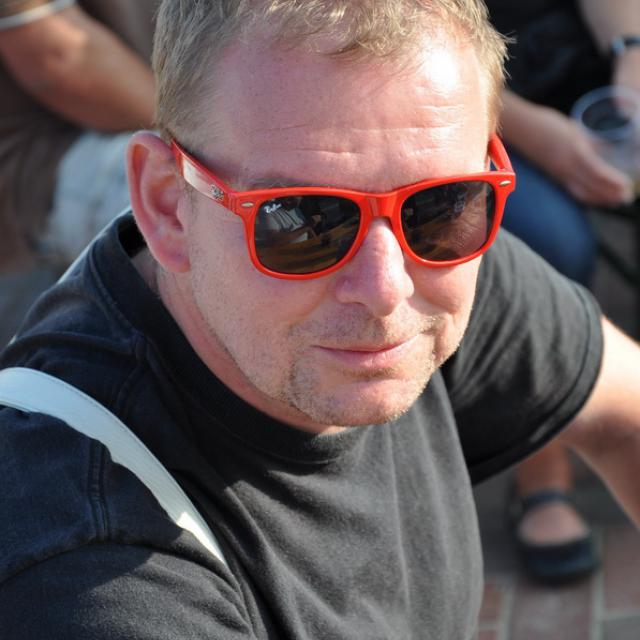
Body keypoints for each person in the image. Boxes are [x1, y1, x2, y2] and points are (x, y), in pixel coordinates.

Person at [0, 1, 639, 637]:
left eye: (444, 203)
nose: (385, 289)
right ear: (168, 206)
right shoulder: (89, 572)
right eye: (303, 221)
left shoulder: (424, 258)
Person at [484, 0, 640, 583]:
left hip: (589, 52)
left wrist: (632, 52)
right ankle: (542, 470)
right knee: (548, 246)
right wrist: (528, 130)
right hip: (458, 97)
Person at [0, 0, 158, 346]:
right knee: (209, 204)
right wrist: (203, 133)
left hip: (165, 115)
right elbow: (57, 57)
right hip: (41, 160)